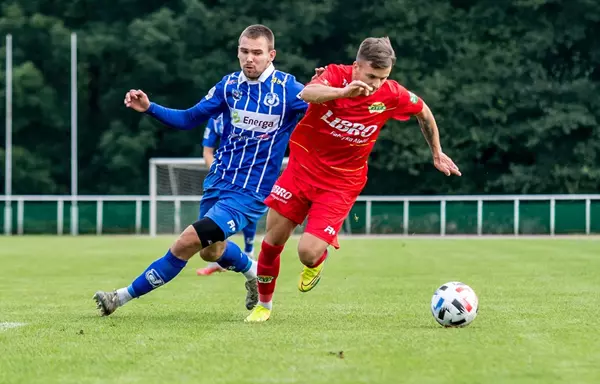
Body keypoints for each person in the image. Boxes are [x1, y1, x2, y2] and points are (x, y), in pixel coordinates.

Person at [93, 24, 308, 316]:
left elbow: (323, 115)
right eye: (244, 51)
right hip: (218, 183)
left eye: (257, 53)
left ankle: (118, 298)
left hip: (249, 192)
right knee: (211, 252)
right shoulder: (228, 86)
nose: (249, 58)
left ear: (271, 55)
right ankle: (254, 273)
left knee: (187, 241)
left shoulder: (289, 90)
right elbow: (188, 119)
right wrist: (150, 107)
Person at [245, 37, 461, 322]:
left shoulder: (391, 94)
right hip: (300, 171)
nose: (377, 84)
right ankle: (264, 306)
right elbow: (308, 93)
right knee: (272, 241)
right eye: (372, 76)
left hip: (341, 183)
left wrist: (436, 152)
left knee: (307, 253)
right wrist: (342, 92)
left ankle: (317, 261)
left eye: (384, 78)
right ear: (356, 66)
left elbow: (423, 111)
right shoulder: (335, 75)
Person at [196, 114, 258, 276]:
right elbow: (207, 152)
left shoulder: (250, 114)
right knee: (207, 226)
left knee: (246, 213)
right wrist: (219, 174)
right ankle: (220, 259)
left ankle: (249, 253)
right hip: (220, 179)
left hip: (246, 178)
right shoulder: (215, 119)